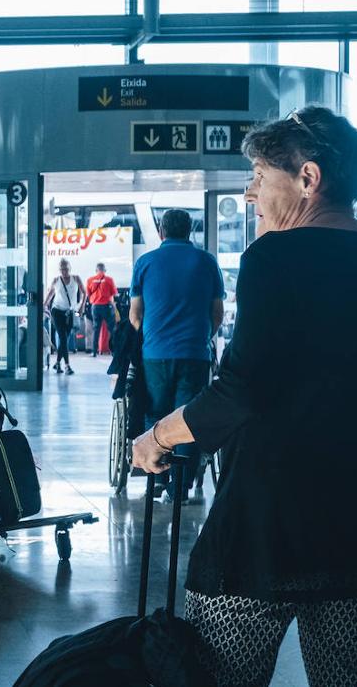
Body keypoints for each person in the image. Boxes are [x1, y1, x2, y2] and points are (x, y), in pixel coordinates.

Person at [131, 106, 357, 687]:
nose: (251, 195)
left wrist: (157, 435)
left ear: (308, 179)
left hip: (265, 520)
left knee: (219, 672)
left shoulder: (274, 257)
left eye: (261, 178)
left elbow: (242, 388)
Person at [129, 208, 223, 503]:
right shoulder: (207, 262)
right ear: (190, 230)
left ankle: (156, 478)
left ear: (161, 231)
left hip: (155, 353)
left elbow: (135, 314)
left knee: (156, 411)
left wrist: (150, 335)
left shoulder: (145, 262)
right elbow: (217, 313)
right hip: (194, 352)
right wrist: (203, 336)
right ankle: (180, 488)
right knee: (188, 415)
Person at [43, 259, 84, 374]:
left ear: (69, 268)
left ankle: (57, 363)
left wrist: (81, 306)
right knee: (63, 337)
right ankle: (67, 366)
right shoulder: (56, 280)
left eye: (66, 268)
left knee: (65, 339)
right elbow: (50, 294)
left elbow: (84, 292)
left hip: (69, 313)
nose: (64, 271)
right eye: (62, 269)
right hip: (57, 312)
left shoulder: (76, 278)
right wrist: (44, 305)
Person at [85, 262, 119, 356]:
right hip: (107, 306)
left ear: (96, 270)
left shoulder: (90, 280)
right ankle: (114, 351)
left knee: (96, 329)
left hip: (95, 307)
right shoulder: (109, 279)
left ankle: (94, 352)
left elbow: (88, 294)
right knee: (112, 329)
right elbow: (114, 294)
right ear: (104, 270)